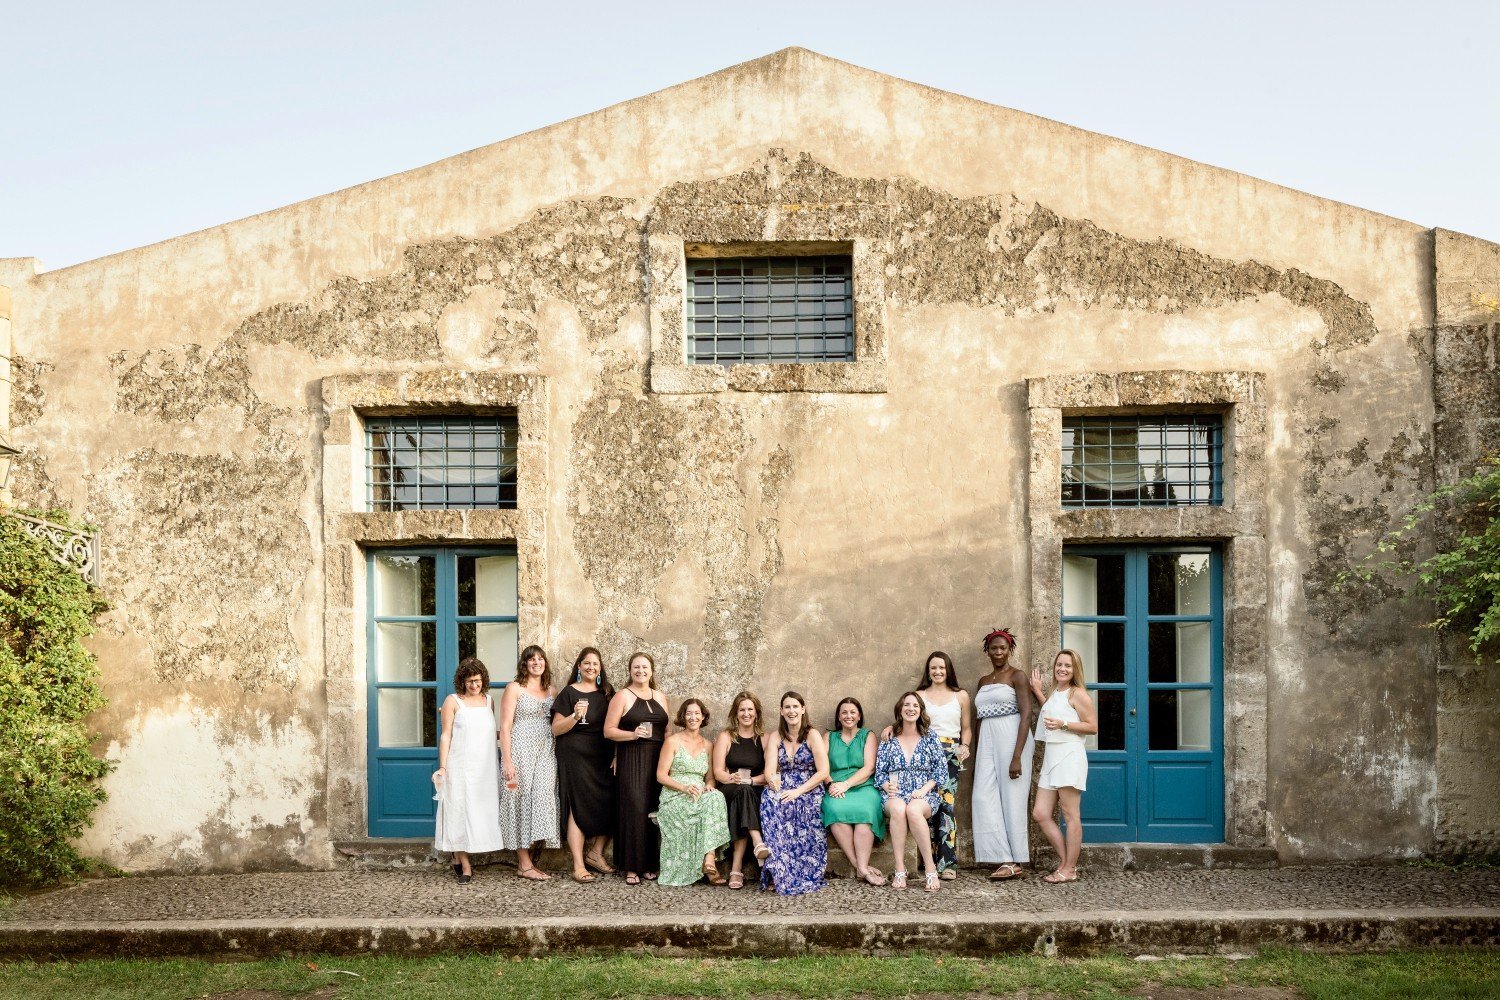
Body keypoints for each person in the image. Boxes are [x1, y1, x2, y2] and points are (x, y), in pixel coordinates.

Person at [1030, 649, 1098, 884]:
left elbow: (1092, 726)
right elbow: (1051, 714)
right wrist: (1038, 691)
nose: (1062, 669)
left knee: (1070, 815)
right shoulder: (1055, 692)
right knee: (1040, 813)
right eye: (1059, 664)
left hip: (1069, 756)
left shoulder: (1078, 694)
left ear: (1075, 670)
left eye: (1068, 665)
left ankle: (1069, 869)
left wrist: (1065, 724)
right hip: (1052, 757)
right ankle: (1065, 862)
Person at [433, 657, 503, 884]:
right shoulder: (453, 701)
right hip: (460, 766)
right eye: (470, 681)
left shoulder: (489, 701)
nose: (474, 685)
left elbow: (491, 733)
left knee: (479, 812)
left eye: (478, 681)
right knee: (459, 813)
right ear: (462, 681)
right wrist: (443, 767)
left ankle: (459, 853)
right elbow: (446, 735)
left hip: (485, 769)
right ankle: (465, 864)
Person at [972, 627, 1034, 880]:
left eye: (1003, 648)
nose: (998, 652)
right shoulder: (983, 681)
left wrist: (1017, 756)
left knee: (1012, 798)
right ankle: (1001, 855)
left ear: (1010, 650)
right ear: (987, 652)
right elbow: (978, 720)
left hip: (1012, 737)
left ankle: (1014, 860)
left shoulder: (1017, 676)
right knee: (982, 796)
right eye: (993, 648)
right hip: (987, 739)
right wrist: (977, 753)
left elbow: (1027, 715)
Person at [550, 647, 616, 883]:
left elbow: (615, 725)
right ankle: (578, 865)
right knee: (577, 807)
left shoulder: (607, 693)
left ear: (600, 668)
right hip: (575, 757)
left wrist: (617, 754)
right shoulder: (569, 693)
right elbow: (556, 729)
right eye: (587, 663)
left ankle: (596, 853)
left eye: (595, 664)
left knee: (612, 800)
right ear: (579, 666)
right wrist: (575, 716)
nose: (591, 667)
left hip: (602, 756)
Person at [604, 650, 670, 885]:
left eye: (645, 667)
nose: (641, 671)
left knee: (652, 809)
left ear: (651, 671)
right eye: (636, 667)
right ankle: (631, 866)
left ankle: (649, 864)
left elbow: (667, 731)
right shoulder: (622, 696)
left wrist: (670, 759)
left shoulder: (660, 696)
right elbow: (608, 731)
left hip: (657, 759)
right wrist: (632, 735)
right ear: (630, 671)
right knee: (634, 808)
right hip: (632, 757)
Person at [498, 644, 560, 879]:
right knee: (520, 800)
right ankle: (524, 864)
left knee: (543, 796)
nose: (537, 662)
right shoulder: (514, 688)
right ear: (524, 664)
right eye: (532, 659)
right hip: (520, 750)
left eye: (540, 658)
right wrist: (507, 761)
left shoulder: (552, 690)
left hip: (546, 750)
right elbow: (505, 727)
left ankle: (531, 856)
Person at [875, 692, 949, 891]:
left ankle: (931, 870)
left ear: (921, 710)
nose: (911, 709)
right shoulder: (888, 738)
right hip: (895, 793)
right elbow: (879, 773)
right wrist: (886, 786)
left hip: (923, 793)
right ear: (900, 709)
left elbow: (941, 771)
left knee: (914, 811)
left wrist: (924, 790)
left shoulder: (930, 737)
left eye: (915, 706)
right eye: (907, 705)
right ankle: (900, 869)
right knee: (899, 809)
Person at [758, 691, 830, 895]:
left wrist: (798, 791)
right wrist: (774, 784)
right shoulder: (776, 736)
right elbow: (769, 770)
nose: (792, 711)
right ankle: (778, 870)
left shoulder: (812, 735)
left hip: (809, 787)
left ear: (803, 709)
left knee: (801, 804)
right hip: (784, 785)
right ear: (781, 711)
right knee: (770, 800)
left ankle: (804, 871)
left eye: (795, 707)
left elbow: (823, 771)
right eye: (787, 707)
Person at [655, 698, 731, 886]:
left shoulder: (708, 745)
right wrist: (684, 787)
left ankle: (709, 858)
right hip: (675, 796)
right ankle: (710, 864)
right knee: (712, 803)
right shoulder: (672, 741)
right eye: (689, 713)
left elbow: (710, 778)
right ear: (683, 716)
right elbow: (661, 776)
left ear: (703, 717)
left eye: (697, 713)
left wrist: (709, 785)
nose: (693, 717)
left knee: (716, 796)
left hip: (699, 794)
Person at [915, 652, 971, 879]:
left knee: (946, 806)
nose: (938, 672)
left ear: (948, 670)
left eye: (942, 668)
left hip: (951, 754)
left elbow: (966, 728)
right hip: (925, 752)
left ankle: (948, 864)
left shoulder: (961, 696)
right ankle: (927, 860)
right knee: (926, 804)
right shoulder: (919, 695)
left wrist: (965, 745)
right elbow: (908, 719)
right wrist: (892, 728)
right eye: (933, 668)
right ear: (928, 671)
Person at [821, 697, 887, 886]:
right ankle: (860, 867)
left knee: (866, 811)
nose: (848, 716)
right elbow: (822, 765)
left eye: (852, 712)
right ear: (838, 717)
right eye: (844, 712)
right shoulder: (829, 737)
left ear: (859, 716)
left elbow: (869, 767)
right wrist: (831, 784)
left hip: (863, 786)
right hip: (835, 786)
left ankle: (861, 866)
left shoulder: (868, 735)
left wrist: (846, 784)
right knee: (834, 809)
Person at [712, 691, 769, 890]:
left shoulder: (764, 739)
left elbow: (770, 773)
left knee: (745, 795)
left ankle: (736, 869)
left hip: (755, 789)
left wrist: (751, 781)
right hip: (730, 788)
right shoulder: (726, 736)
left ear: (756, 713)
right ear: (736, 713)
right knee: (742, 793)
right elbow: (718, 772)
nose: (746, 713)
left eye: (750, 710)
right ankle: (757, 842)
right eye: (742, 710)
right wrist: (731, 778)